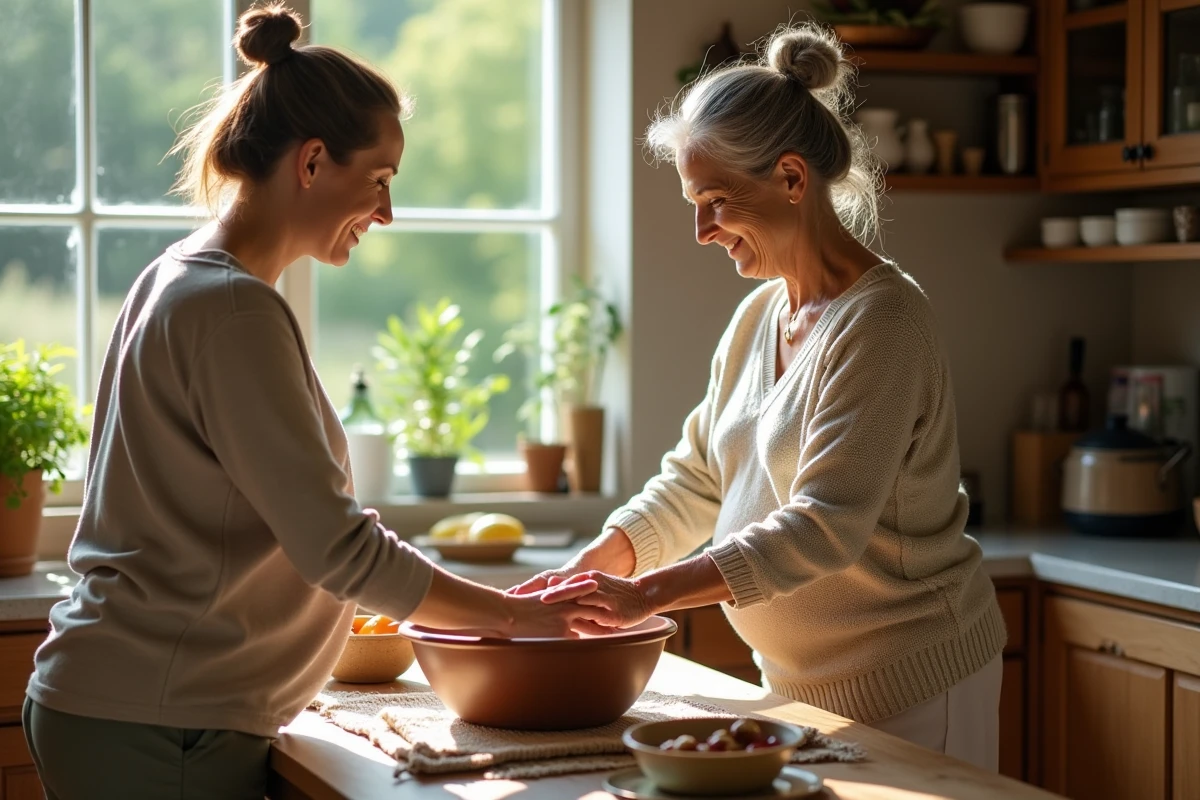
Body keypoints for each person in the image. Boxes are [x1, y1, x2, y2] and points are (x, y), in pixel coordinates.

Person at [23, 5, 601, 798]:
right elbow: (340, 550)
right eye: (381, 179)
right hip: (162, 723)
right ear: (313, 161)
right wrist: (517, 617)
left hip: (133, 706)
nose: (388, 212)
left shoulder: (179, 277)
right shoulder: (232, 310)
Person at [517, 23, 1006, 771]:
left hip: (915, 686)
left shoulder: (885, 320)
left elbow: (823, 526)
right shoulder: (758, 316)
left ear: (790, 178)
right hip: (796, 686)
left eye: (714, 199)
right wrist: (595, 567)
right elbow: (697, 480)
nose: (700, 230)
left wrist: (647, 596)